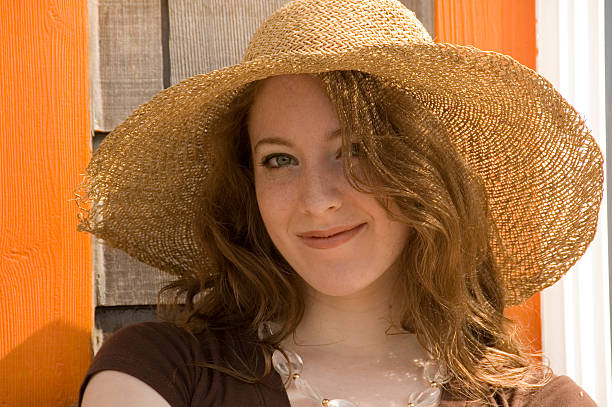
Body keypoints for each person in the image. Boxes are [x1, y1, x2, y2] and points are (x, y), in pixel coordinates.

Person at [76, 0, 603, 406]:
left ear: (423, 171)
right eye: (279, 160)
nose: (317, 200)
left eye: (354, 151)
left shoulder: (537, 402)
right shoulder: (160, 374)